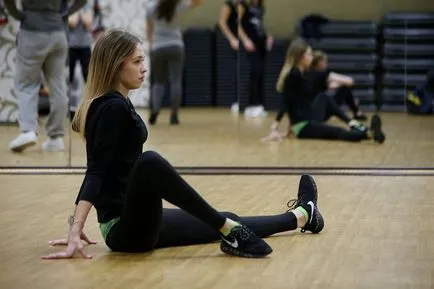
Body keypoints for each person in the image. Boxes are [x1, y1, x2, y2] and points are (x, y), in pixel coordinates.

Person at [41, 29, 324, 260]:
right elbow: (97, 171)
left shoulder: (115, 103)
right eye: (137, 61)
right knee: (150, 162)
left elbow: (99, 169)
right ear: (117, 66)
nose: (145, 68)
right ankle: (229, 230)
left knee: (226, 217)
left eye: (143, 60)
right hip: (126, 230)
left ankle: (301, 216)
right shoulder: (111, 108)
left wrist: (75, 228)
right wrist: (75, 227)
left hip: (138, 217)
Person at [263, 38, 385, 144]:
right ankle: (368, 134)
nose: (311, 57)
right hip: (303, 126)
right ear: (301, 57)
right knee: (336, 132)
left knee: (324, 97)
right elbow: (286, 102)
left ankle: (356, 124)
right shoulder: (294, 75)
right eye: (309, 54)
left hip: (309, 118)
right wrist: (274, 128)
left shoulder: (302, 74)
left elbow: (296, 102)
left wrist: (290, 128)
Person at [4, 0, 87, 152]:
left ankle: (28, 131)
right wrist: (64, 14)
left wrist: (19, 16)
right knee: (58, 86)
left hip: (31, 31)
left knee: (27, 84)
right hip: (58, 32)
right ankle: (56, 138)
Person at [146, 0, 202, 125]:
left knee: (158, 82)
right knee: (175, 81)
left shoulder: (150, 7)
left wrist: (151, 44)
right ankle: (174, 114)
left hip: (158, 46)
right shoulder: (177, 4)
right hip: (176, 45)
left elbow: (149, 29)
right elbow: (198, 2)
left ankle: (155, 110)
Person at [308, 50, 367, 121]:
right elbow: (350, 81)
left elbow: (329, 86)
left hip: (309, 114)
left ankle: (356, 114)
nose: (326, 63)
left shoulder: (308, 73)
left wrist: (335, 84)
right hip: (319, 115)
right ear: (320, 62)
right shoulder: (323, 74)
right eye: (325, 61)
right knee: (344, 89)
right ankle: (356, 115)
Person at [238, 0, 273, 118]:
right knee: (255, 71)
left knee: (261, 73)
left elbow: (259, 24)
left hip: (261, 42)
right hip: (250, 42)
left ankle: (259, 105)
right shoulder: (242, 5)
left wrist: (268, 36)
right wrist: (245, 40)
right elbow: (238, 25)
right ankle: (251, 105)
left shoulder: (260, 6)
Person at [68, 4, 93, 121]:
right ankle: (71, 109)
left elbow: (88, 23)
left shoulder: (87, 4)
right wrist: (78, 10)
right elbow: (72, 22)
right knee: (69, 79)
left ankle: (90, 107)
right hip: (70, 47)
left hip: (85, 47)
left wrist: (78, 10)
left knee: (89, 78)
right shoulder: (68, 4)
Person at [218, 0, 239, 113]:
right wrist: (232, 39)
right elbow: (222, 23)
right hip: (231, 41)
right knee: (236, 70)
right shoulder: (228, 5)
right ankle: (236, 101)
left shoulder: (243, 5)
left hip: (242, 41)